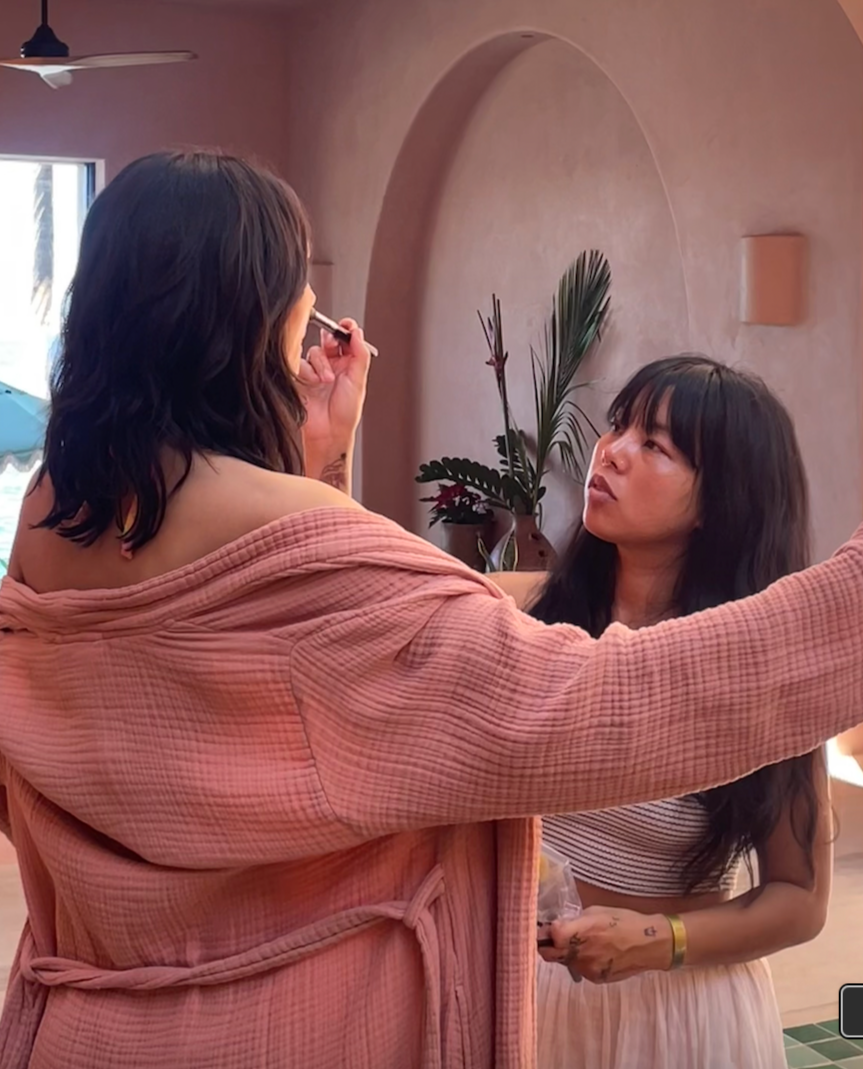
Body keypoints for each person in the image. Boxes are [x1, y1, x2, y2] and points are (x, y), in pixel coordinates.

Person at [0, 152, 862, 1069]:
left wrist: (320, 466)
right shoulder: (318, 548)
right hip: (262, 1030)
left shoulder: (52, 514)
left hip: (81, 1019)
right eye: (301, 295)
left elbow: (263, 690)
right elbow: (598, 707)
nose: (612, 454)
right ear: (254, 323)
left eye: (654, 445)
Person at [497, 356, 830, 1067]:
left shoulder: (758, 667)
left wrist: (656, 940)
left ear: (719, 500)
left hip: (676, 1010)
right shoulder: (529, 616)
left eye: (655, 445)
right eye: (617, 425)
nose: (609, 451)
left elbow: (798, 896)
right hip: (524, 990)